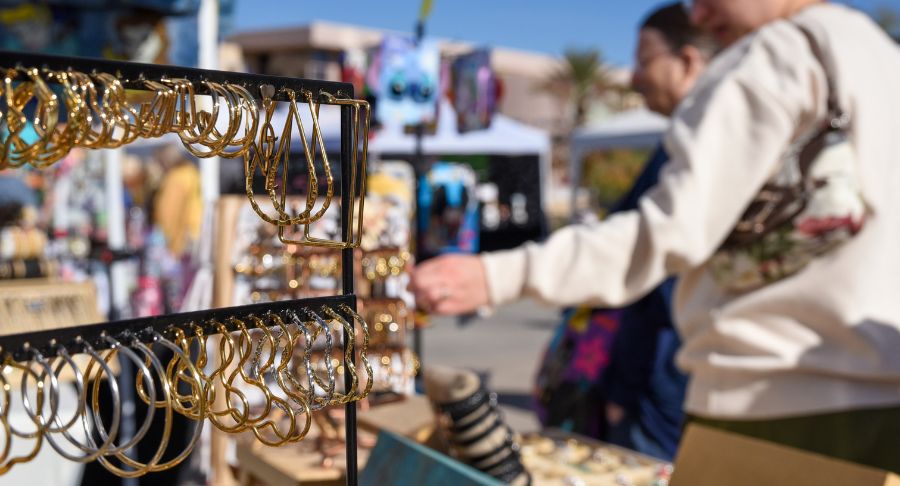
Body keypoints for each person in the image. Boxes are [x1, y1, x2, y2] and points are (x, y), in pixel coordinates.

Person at [413, 0, 900, 472]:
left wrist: (496, 275)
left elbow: (669, 230)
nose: (700, 16)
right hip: (879, 400)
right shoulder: (881, 55)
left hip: (766, 403)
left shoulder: (773, 53)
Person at [603, 2, 715, 462]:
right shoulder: (672, 149)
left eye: (645, 61)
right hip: (659, 392)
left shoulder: (696, 155)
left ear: (687, 62)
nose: (634, 77)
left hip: (666, 399)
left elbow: (642, 268)